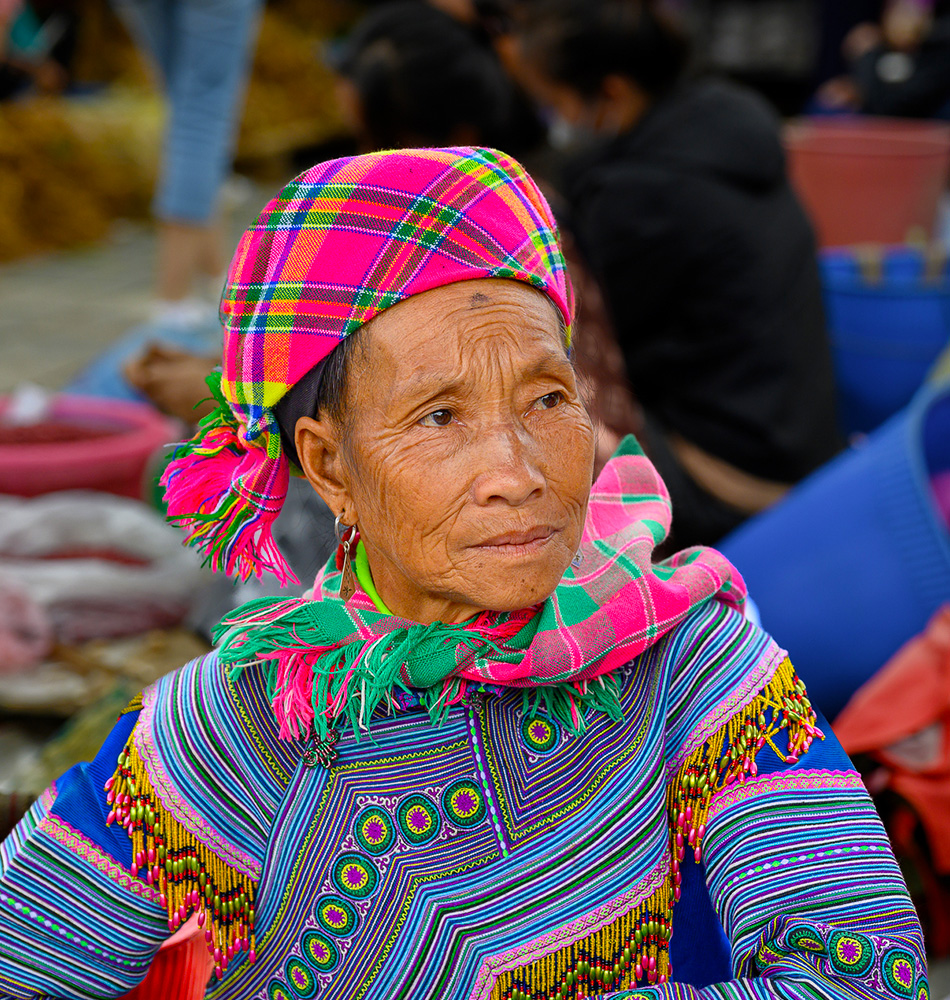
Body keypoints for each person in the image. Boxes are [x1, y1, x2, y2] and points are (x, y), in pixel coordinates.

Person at [0, 148, 924, 1000]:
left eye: (548, 399)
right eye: (439, 418)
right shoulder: (242, 728)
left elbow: (859, 972)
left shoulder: (698, 668)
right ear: (328, 468)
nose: (519, 473)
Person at [506, 0, 843, 547]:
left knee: (538, 397)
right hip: (805, 449)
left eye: (556, 103)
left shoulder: (641, 198)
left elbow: (599, 347)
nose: (556, 120)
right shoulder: (723, 127)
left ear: (611, 93)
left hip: (737, 480)